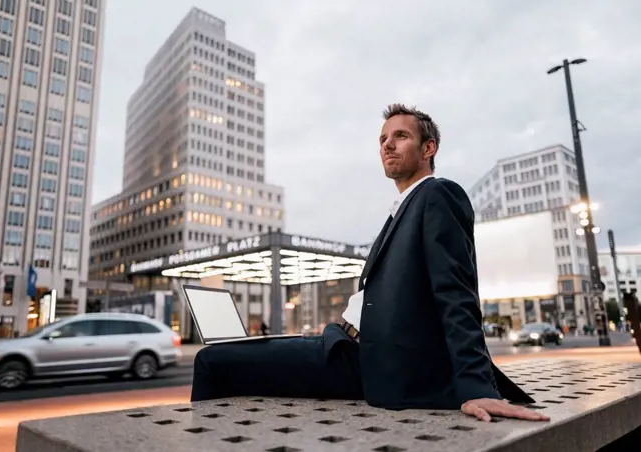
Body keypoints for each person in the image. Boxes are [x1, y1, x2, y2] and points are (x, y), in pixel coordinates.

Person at [191, 104, 549, 423]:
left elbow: (456, 290)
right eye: (382, 139)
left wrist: (475, 384)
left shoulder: (438, 194)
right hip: (339, 341)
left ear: (429, 148)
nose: (387, 145)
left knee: (213, 360)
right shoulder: (403, 209)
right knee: (231, 354)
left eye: (401, 136)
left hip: (365, 360)